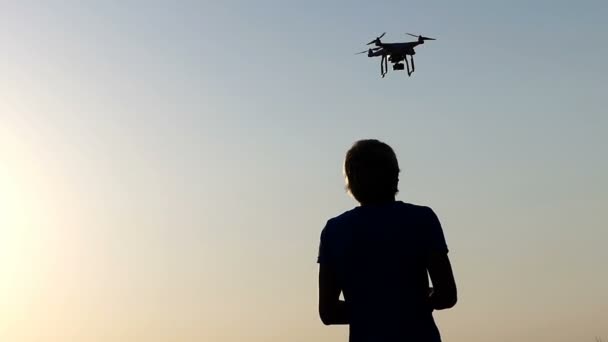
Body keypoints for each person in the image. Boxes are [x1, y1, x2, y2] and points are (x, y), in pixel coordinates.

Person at [317, 139, 457, 342]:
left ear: (351, 180)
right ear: (395, 177)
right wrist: (411, 303)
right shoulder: (422, 219)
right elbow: (447, 295)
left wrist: (371, 310)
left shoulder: (334, 230)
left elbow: (328, 313)